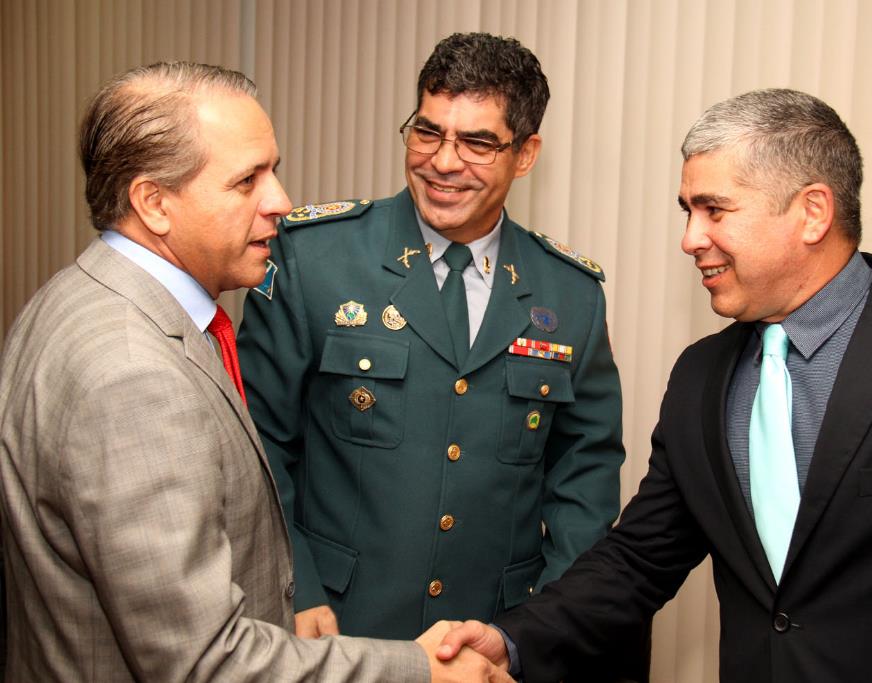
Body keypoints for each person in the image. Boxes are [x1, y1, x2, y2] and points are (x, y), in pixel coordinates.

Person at [436, 88, 872, 682]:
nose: (691, 238)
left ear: (813, 212)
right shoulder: (701, 376)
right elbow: (639, 560)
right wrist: (511, 641)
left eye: (714, 210)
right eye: (688, 211)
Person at [0, 61, 511, 683]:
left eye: (273, 170)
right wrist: (420, 671)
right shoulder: (133, 375)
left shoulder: (79, 296)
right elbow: (203, 661)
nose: (280, 203)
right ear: (154, 203)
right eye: (247, 180)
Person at [236, 31, 624, 650]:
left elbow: (585, 477)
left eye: (477, 143)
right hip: (338, 628)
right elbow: (256, 447)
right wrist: (297, 587)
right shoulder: (315, 259)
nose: (443, 162)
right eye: (427, 132)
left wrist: (545, 627)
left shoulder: (570, 294)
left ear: (526, 154)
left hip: (492, 639)